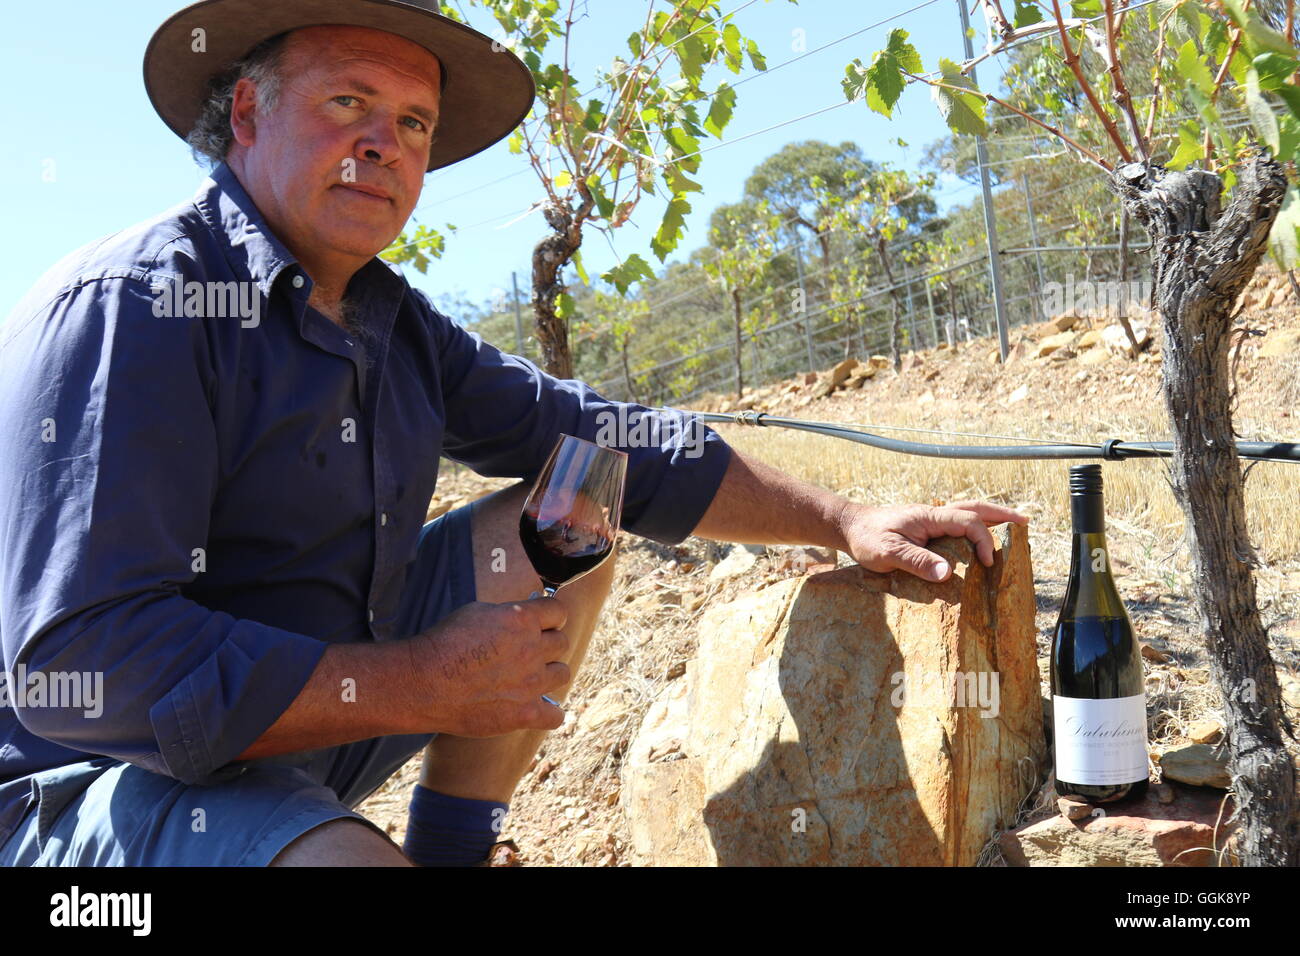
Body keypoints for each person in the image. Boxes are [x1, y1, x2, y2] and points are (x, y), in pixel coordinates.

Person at [0, 0, 1027, 867]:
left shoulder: (390, 324)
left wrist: (842, 516)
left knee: (581, 494)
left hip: (304, 735)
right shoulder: (138, 305)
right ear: (246, 114)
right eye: (347, 103)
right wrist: (423, 678)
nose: (382, 145)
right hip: (93, 783)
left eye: (411, 123)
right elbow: (84, 670)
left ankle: (452, 846)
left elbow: (610, 438)